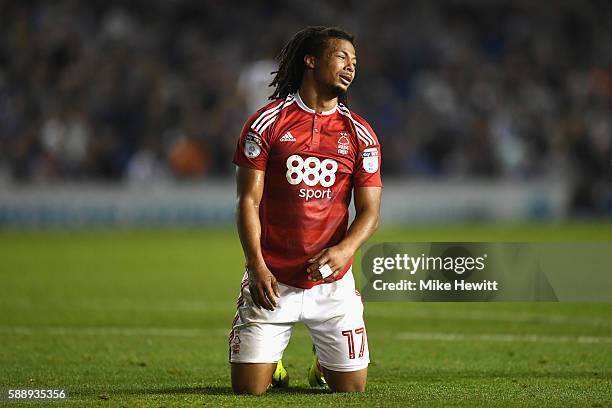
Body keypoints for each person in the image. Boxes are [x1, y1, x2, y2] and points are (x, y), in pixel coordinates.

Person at [229, 26, 382, 395]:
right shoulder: (266, 123)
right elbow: (247, 201)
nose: (351, 67)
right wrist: (256, 265)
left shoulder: (360, 133)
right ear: (310, 61)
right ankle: (273, 363)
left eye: (355, 62)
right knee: (249, 390)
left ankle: (322, 362)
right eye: (342, 57)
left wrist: (344, 250)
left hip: (332, 283)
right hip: (272, 280)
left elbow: (369, 213)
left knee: (351, 391)